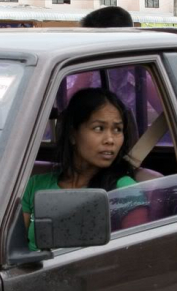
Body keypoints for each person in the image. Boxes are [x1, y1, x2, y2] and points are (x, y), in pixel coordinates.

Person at [22, 88, 148, 250]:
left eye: (117, 129)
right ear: (73, 134)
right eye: (98, 128)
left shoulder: (125, 191)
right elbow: (13, 248)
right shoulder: (36, 185)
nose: (110, 140)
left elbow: (136, 257)